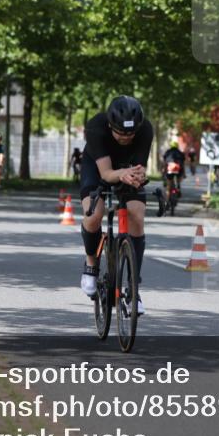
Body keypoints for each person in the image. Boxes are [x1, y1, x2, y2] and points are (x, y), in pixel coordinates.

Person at [78, 95, 152, 314]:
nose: (125, 138)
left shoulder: (145, 130)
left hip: (127, 169)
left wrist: (138, 176)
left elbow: (140, 167)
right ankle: (91, 263)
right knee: (94, 214)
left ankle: (133, 288)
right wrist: (122, 174)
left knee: (137, 216)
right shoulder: (96, 127)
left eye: (130, 134)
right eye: (120, 133)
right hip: (98, 167)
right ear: (110, 125)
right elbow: (107, 174)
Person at [156, 139, 185, 215]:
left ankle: (167, 200)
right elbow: (183, 164)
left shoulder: (168, 152)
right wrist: (184, 174)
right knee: (179, 179)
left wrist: (163, 172)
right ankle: (178, 186)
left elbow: (165, 163)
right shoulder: (180, 153)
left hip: (170, 170)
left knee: (168, 187)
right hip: (179, 170)